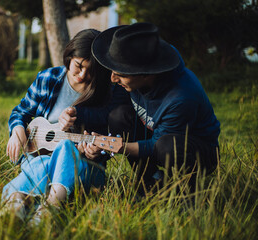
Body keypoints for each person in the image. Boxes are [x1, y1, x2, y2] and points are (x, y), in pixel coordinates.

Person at [87, 22, 221, 194]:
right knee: (119, 116)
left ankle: (185, 193)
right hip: (157, 134)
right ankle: (149, 181)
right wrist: (97, 145)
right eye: (112, 71)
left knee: (168, 146)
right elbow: (108, 109)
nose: (113, 79)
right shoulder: (136, 67)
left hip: (194, 150)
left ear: (146, 74)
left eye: (120, 74)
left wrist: (117, 146)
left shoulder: (181, 97)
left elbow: (156, 144)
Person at [1, 29, 114, 223]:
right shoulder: (49, 78)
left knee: (65, 147)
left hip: (82, 169)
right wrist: (17, 129)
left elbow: (110, 142)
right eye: (78, 65)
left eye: (91, 70)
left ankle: (33, 204)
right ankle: (21, 210)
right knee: (42, 163)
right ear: (69, 56)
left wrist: (97, 152)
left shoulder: (104, 92)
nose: (83, 74)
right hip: (40, 161)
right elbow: (20, 112)